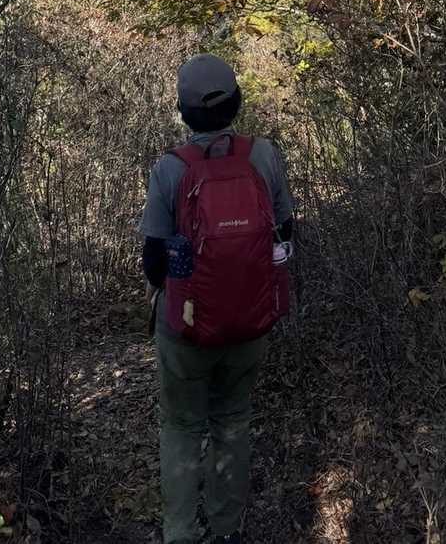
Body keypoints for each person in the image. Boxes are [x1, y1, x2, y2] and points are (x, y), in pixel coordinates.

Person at [140, 53, 294, 544]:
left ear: (183, 112)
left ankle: (182, 532)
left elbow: (154, 260)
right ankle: (227, 529)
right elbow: (285, 233)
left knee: (182, 426)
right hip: (252, 320)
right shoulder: (263, 156)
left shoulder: (170, 168)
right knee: (233, 419)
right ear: (237, 102)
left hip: (186, 327)